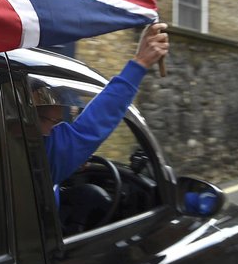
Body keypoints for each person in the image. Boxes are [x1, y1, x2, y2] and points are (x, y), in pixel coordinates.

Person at [35, 22, 169, 198]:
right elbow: (93, 124)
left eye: (60, 122)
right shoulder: (41, 155)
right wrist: (140, 63)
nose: (56, 131)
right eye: (49, 121)